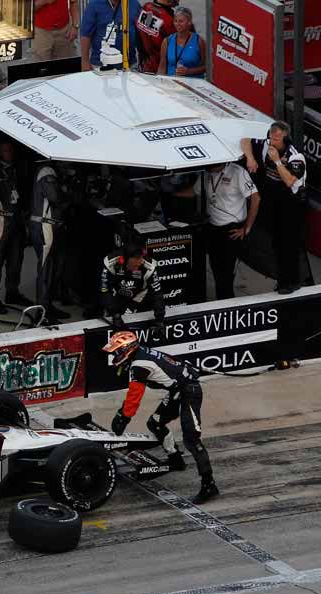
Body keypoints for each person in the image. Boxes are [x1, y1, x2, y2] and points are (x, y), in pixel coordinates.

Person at [103, 331, 219, 504]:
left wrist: (123, 417)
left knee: (192, 439)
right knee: (155, 423)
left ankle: (209, 485)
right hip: (177, 391)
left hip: (189, 392)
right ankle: (175, 459)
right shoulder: (142, 352)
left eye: (116, 352)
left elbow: (134, 397)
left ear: (127, 349)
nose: (114, 356)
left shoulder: (139, 365)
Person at [241, 121, 308, 294]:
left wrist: (277, 161)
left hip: (292, 203)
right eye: (271, 136)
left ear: (285, 137)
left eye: (277, 138)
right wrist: (250, 158)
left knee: (289, 244)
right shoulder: (267, 144)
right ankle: (282, 279)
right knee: (277, 243)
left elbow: (289, 181)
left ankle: (293, 282)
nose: (273, 140)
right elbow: (245, 140)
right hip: (274, 200)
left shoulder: (295, 157)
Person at [200, 163, 261, 300]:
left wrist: (247, 228)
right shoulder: (206, 173)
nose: (210, 169)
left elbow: (256, 198)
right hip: (213, 228)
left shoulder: (238, 172)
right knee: (216, 270)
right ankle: (221, 301)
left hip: (232, 230)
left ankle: (228, 304)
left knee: (226, 273)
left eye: (213, 167)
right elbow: (195, 190)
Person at [0, 141, 30, 316]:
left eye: (10, 149)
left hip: (17, 220)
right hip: (1, 219)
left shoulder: (18, 168)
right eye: (5, 150)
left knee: (16, 257)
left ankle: (12, 291)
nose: (9, 153)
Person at [30, 162, 71, 323]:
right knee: (45, 270)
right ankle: (41, 314)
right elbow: (55, 198)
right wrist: (68, 193)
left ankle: (47, 306)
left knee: (51, 269)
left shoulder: (51, 172)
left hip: (49, 225)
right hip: (44, 225)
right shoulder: (47, 171)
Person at [100, 241, 165, 335]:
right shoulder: (110, 262)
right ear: (125, 259)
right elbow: (105, 290)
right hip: (116, 296)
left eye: (142, 257)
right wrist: (115, 315)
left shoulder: (150, 267)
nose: (141, 261)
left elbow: (157, 293)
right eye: (137, 258)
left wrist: (160, 320)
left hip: (139, 297)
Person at [81, 0, 141, 71]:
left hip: (129, 64)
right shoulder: (94, 5)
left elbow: (140, 34)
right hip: (100, 64)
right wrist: (85, 62)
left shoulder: (134, 4)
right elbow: (86, 35)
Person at [157, 6, 205, 77]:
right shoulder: (167, 41)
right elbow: (162, 67)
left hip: (193, 82)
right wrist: (159, 80)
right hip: (172, 82)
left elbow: (207, 67)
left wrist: (189, 71)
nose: (177, 24)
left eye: (181, 21)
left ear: (189, 22)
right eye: (175, 21)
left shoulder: (199, 41)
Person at [135, 0, 177, 74]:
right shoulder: (169, 19)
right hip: (161, 69)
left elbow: (142, 32)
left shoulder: (147, 7)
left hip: (144, 64)